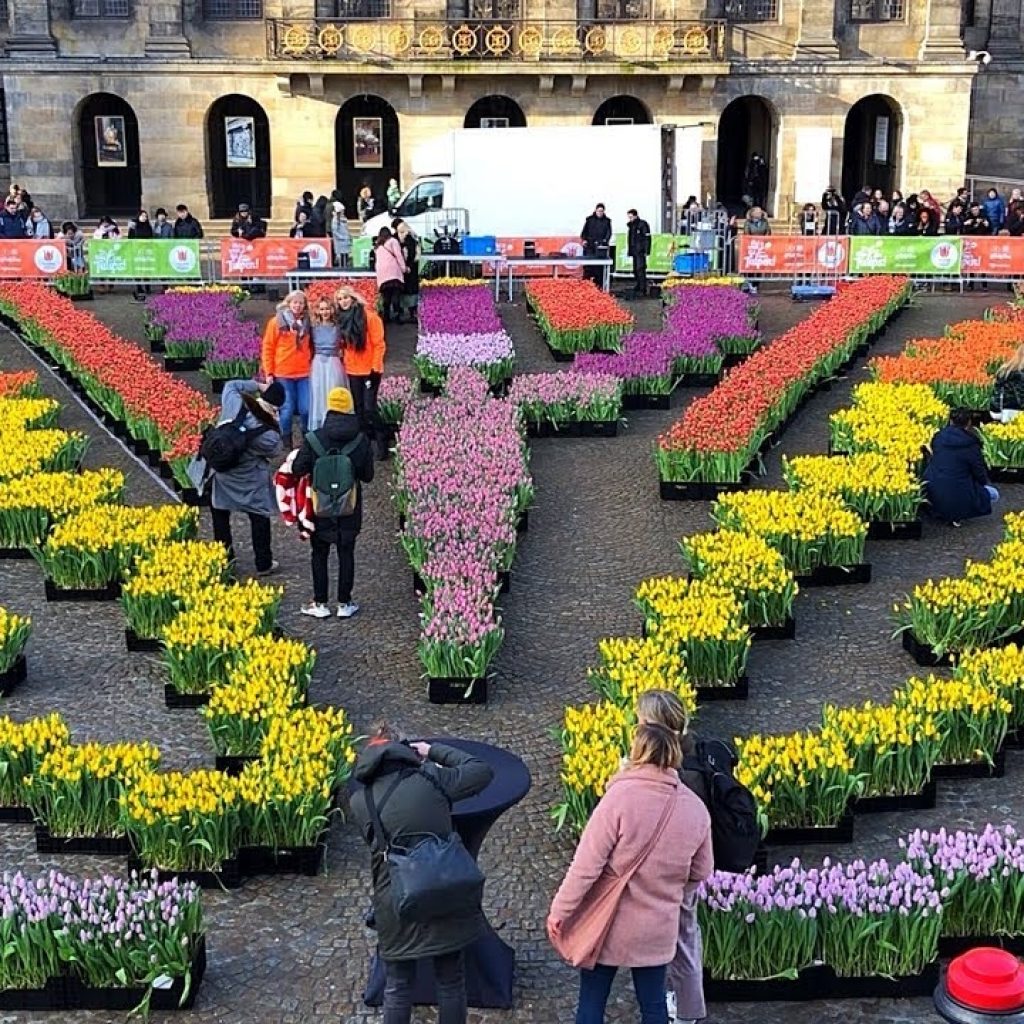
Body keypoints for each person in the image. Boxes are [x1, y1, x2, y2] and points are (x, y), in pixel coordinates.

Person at [547, 722, 713, 1024]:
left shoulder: (619, 798)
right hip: (658, 925)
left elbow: (586, 866)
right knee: (653, 1006)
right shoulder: (695, 809)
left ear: (637, 752)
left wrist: (560, 911)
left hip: (607, 921)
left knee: (592, 1003)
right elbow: (702, 870)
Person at [349, 722, 494, 1024]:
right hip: (443, 888)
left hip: (395, 898)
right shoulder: (432, 777)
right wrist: (432, 750)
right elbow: (480, 770)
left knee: (398, 987)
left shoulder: (359, 802)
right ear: (405, 749)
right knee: (451, 981)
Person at [635, 690, 709, 1024]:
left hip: (672, 870)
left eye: (640, 721)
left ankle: (686, 1010)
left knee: (681, 941)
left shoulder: (682, 772)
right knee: (684, 937)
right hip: (681, 869)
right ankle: (682, 1004)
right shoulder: (691, 753)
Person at [292, 386, 374, 618]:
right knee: (346, 553)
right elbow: (368, 476)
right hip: (350, 506)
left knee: (319, 553)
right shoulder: (361, 440)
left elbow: (298, 469)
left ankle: (319, 603)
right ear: (349, 408)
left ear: (330, 407)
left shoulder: (314, 438)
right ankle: (345, 603)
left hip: (320, 506)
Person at [209, 379, 285, 574]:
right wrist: (275, 422)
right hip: (249, 480)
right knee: (259, 516)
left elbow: (230, 386)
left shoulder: (235, 405)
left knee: (220, 513)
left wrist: (257, 385)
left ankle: (224, 558)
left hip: (223, 473)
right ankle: (263, 562)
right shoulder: (267, 433)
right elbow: (276, 450)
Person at [923, 409, 999, 525]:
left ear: (950, 421)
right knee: (994, 494)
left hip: (933, 488)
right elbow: (979, 474)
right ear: (969, 423)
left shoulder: (938, 438)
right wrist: (980, 484)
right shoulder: (972, 444)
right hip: (958, 491)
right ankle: (956, 514)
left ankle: (944, 510)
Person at [337, 284, 387, 460]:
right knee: (358, 409)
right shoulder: (341, 319)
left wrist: (375, 369)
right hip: (353, 369)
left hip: (370, 369)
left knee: (369, 408)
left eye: (346, 298)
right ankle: (365, 443)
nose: (343, 302)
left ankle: (382, 438)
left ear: (353, 298)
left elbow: (379, 345)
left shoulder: (370, 317)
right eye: (340, 299)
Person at [261, 290, 313, 444]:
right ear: (288, 303)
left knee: (306, 408)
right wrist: (268, 372)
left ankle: (307, 438)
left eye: (301, 303)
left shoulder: (309, 322)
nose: (297, 305)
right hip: (283, 373)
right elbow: (268, 347)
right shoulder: (276, 322)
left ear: (305, 305)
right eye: (295, 302)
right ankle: (286, 440)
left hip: (304, 373)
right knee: (287, 409)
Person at [306, 297, 348, 431]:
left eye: (327, 309)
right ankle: (320, 424)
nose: (325, 312)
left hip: (333, 361)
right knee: (318, 392)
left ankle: (334, 422)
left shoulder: (338, 327)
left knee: (333, 390)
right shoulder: (313, 327)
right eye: (322, 309)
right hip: (318, 362)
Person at [374, 225, 407, 324]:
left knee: (386, 296)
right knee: (395, 295)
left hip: (382, 274)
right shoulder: (393, 241)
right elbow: (398, 256)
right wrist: (404, 268)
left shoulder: (378, 245)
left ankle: (386, 316)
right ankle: (397, 316)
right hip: (393, 272)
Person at [393, 219, 420, 323]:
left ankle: (412, 312)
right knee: (400, 290)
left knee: (411, 290)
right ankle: (401, 313)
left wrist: (408, 266)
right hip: (400, 270)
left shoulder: (411, 239)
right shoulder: (394, 239)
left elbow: (413, 254)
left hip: (410, 270)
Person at [580, 203, 612, 285]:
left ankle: (599, 285)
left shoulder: (607, 221)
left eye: (601, 211)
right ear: (596, 210)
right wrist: (584, 240)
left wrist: (605, 241)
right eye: (598, 211)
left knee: (599, 267)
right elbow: (584, 232)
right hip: (590, 246)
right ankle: (586, 284)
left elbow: (609, 233)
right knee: (588, 266)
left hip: (600, 247)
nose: (600, 213)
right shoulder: (589, 220)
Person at [992, 344, 1024, 423]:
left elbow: (996, 393)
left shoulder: (1005, 371)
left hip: (1003, 411)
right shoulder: (1020, 374)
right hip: (1018, 413)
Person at [127, 210, 154, 302]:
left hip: (146, 251)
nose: (144, 217)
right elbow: (130, 238)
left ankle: (147, 287)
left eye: (145, 216)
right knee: (138, 269)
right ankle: (139, 287)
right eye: (142, 216)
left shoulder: (148, 226)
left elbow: (151, 237)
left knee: (146, 269)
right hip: (136, 251)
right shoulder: (134, 227)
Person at [626, 208, 652, 297]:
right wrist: (630, 251)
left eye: (631, 217)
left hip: (640, 251)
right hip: (634, 251)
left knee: (640, 269)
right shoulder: (631, 226)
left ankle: (643, 288)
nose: (630, 219)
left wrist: (647, 250)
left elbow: (647, 238)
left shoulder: (642, 224)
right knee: (635, 270)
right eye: (629, 217)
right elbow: (630, 239)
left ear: (635, 216)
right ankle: (638, 285)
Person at [331, 201, 352, 267]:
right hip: (340, 243)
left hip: (345, 242)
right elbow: (335, 231)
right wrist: (342, 237)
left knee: (346, 258)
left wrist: (349, 237)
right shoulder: (335, 220)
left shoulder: (344, 219)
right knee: (341, 260)